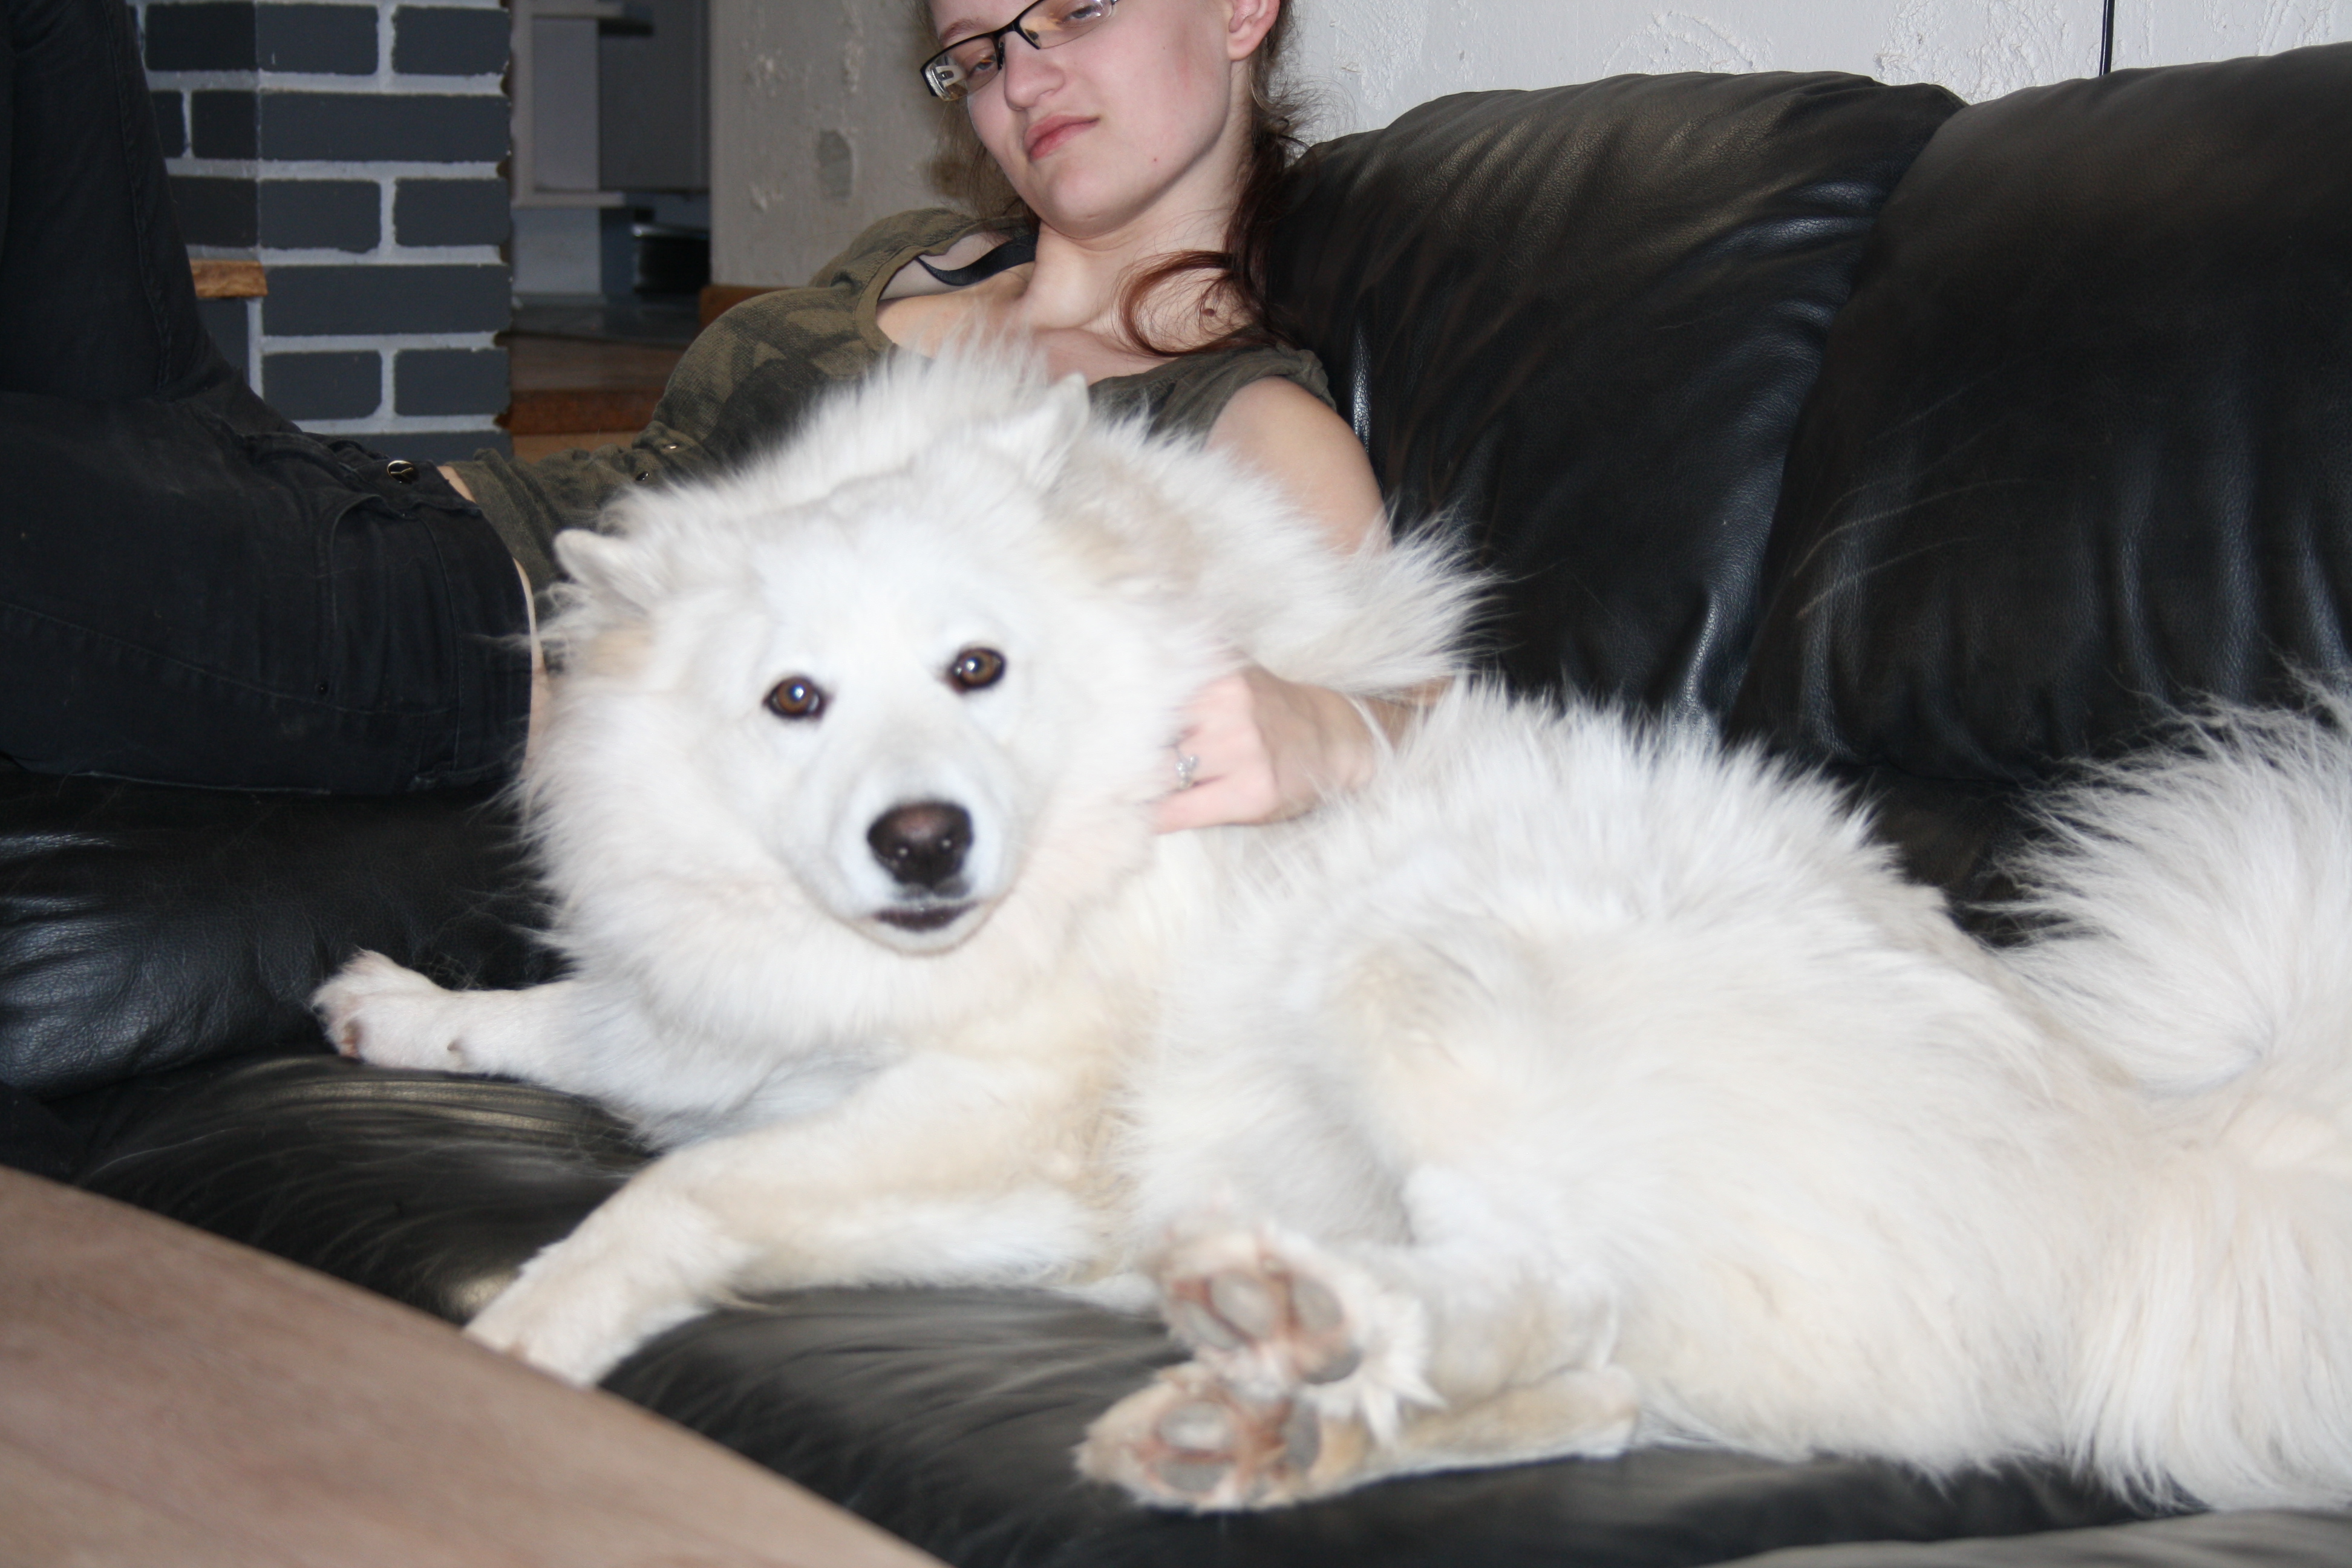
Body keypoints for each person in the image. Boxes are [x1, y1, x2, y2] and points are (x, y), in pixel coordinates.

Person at [1, 0, 1397, 821]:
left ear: (1238, 8)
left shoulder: (1243, 422)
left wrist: (1343, 730)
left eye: (1075, 9)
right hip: (324, 490)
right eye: (977, 54)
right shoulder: (919, 253)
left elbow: (1404, 704)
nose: (1022, 82)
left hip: (457, 642)